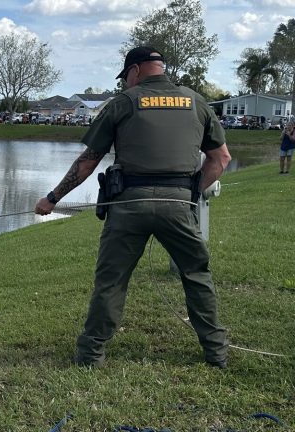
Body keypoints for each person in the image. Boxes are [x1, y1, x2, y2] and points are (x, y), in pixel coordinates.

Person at [35, 46, 232, 369]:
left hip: (129, 205)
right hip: (178, 204)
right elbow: (221, 159)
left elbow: (88, 162)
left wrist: (52, 198)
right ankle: (216, 352)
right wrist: (190, 193)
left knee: (112, 280)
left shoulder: (124, 103)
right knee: (197, 275)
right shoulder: (196, 102)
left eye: (125, 76)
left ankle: (91, 354)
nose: (125, 83)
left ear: (136, 70)